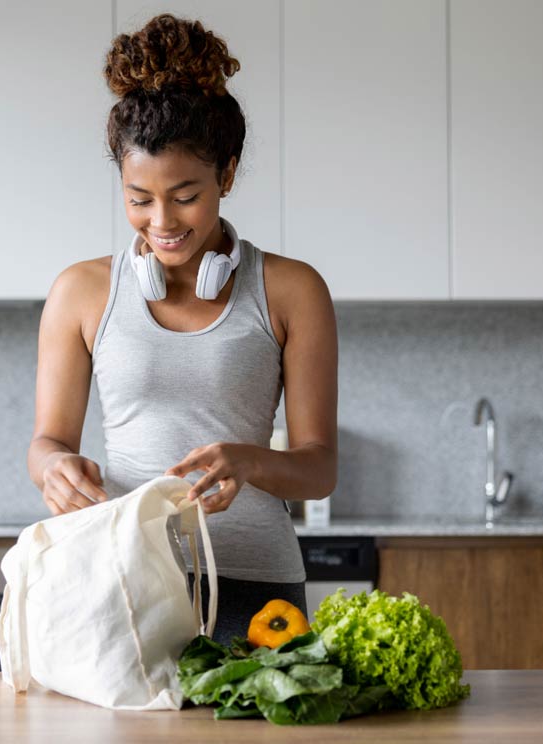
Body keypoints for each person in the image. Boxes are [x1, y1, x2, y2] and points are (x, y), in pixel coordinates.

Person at [26, 13, 338, 643]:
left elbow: (319, 468)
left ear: (226, 174)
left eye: (186, 195)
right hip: (125, 577)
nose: (161, 220)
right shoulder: (80, 292)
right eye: (139, 198)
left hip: (256, 586)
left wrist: (248, 461)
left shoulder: (292, 290)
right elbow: (46, 443)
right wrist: (55, 468)